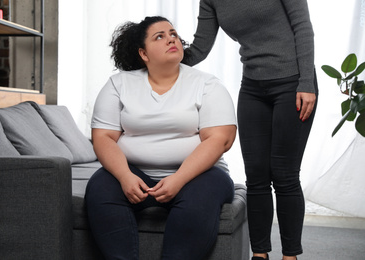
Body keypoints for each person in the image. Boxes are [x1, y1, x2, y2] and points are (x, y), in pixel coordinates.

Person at [85, 16, 237, 260]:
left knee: (198, 201)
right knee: (100, 189)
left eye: (173, 34)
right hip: (133, 172)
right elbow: (103, 137)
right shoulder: (119, 84)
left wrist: (178, 179)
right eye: (160, 36)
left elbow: (221, 140)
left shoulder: (207, 84)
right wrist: (125, 176)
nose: (171, 39)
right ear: (144, 54)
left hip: (198, 175)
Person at [182, 1, 318, 260]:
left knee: (284, 175)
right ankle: (260, 253)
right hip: (253, 87)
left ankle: (290, 256)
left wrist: (307, 83)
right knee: (255, 176)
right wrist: (159, 57)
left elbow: (303, 27)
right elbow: (200, 47)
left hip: (294, 83)